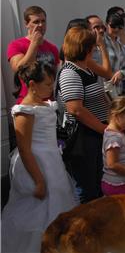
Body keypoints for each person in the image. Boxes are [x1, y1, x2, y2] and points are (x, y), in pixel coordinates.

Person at [1, 62, 78, 253]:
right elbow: (25, 149)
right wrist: (39, 180)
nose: (51, 89)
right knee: (37, 213)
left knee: (58, 206)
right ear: (33, 85)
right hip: (35, 165)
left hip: (52, 162)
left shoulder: (45, 104)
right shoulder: (24, 111)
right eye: (47, 85)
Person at [58, 27, 110, 202]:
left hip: (94, 136)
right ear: (86, 48)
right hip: (83, 138)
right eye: (93, 47)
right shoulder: (70, 73)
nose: (95, 49)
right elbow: (76, 109)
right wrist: (103, 128)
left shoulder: (87, 68)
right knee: (87, 190)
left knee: (96, 186)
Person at [7, 6, 59, 104]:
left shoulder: (52, 48)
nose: (40, 25)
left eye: (43, 21)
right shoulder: (16, 45)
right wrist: (34, 44)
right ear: (27, 24)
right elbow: (19, 69)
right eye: (36, 22)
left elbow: (54, 76)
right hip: (28, 102)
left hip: (49, 102)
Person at [103, 12, 125, 99]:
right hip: (104, 89)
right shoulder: (102, 42)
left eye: (120, 27)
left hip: (118, 89)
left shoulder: (120, 45)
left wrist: (121, 73)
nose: (116, 29)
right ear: (106, 24)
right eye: (113, 26)